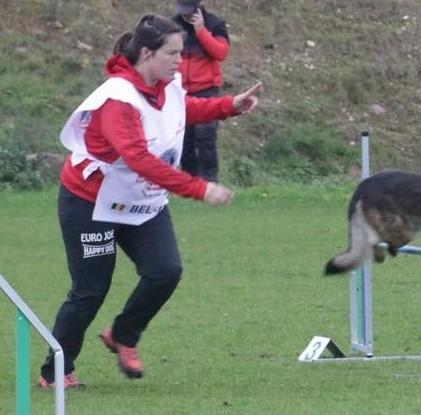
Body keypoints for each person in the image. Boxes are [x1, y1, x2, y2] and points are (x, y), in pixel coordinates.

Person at [38, 14, 261, 389]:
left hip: (139, 200)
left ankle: (123, 334)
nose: (180, 61)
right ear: (146, 53)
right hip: (90, 202)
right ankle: (56, 371)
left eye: (182, 52)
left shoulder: (167, 84)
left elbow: (182, 110)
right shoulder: (118, 99)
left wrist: (230, 106)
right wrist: (199, 188)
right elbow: (140, 160)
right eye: (172, 53)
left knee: (165, 271)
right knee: (90, 290)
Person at [172, 0, 229, 181]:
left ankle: (210, 181)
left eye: (189, 11)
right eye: (183, 11)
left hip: (207, 90)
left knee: (205, 137)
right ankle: (190, 181)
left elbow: (221, 53)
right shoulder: (171, 25)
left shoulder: (215, 24)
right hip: (179, 91)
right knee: (184, 140)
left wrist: (201, 31)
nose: (185, 15)